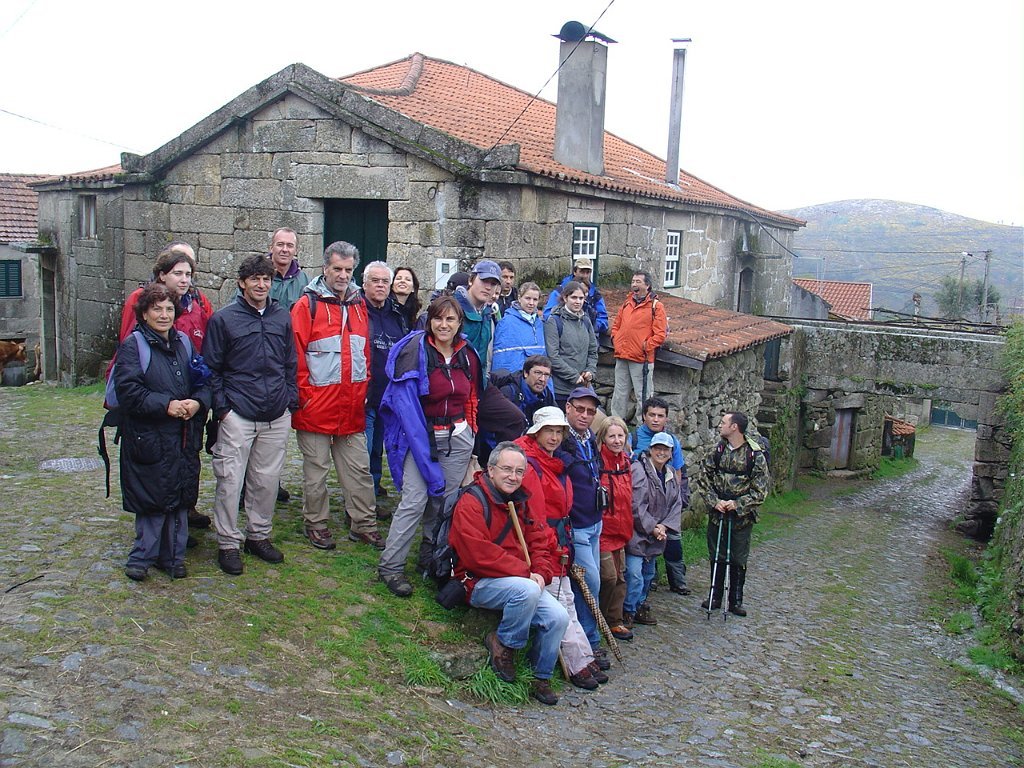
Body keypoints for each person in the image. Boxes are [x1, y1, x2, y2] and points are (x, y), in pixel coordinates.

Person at [448, 442, 569, 706]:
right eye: (506, 469)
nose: (513, 476)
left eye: (519, 471)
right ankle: (504, 644)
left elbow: (538, 541)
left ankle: (540, 675)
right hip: (477, 581)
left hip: (520, 580)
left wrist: (541, 571)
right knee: (527, 590)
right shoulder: (472, 501)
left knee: (559, 617)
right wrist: (526, 573)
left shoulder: (521, 501)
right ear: (491, 470)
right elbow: (478, 555)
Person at [378, 296, 482, 597]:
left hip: (457, 437)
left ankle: (431, 555)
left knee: (444, 502)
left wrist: (471, 430)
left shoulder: (467, 354)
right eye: (438, 318)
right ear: (429, 320)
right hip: (420, 438)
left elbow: (473, 394)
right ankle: (391, 566)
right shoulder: (416, 352)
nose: (444, 325)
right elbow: (404, 404)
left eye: (450, 319)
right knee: (415, 499)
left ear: (459, 323)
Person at [204, 255, 298, 576]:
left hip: (275, 412)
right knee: (230, 480)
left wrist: (289, 401)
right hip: (238, 412)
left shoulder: (281, 317)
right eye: (255, 279)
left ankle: (258, 535)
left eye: (266, 279)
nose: (261, 285)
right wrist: (223, 410)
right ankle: (228, 542)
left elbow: (290, 362)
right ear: (242, 283)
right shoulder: (224, 320)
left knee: (266, 480)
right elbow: (212, 369)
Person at [116, 242, 214, 534]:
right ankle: (156, 533)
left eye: (188, 274)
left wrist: (200, 397)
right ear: (162, 275)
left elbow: (205, 341)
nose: (184, 280)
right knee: (156, 464)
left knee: (188, 457)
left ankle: (183, 515)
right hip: (155, 395)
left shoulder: (198, 302)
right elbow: (130, 350)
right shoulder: (141, 303)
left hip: (189, 390)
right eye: (178, 273)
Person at [291, 242, 382, 552]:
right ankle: (316, 524)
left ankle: (363, 524)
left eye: (348, 270)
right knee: (316, 472)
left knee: (359, 469)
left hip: (351, 405)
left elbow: (364, 353)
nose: (343, 275)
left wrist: (364, 391)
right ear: (325, 269)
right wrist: (305, 397)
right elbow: (295, 356)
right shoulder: (306, 306)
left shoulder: (358, 305)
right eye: (337, 269)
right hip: (316, 406)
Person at [516, 408, 608, 690]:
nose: (554, 437)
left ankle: (583, 656)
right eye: (549, 431)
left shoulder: (555, 462)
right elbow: (535, 514)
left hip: (558, 540)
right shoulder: (531, 465)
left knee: (567, 600)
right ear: (537, 433)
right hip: (543, 543)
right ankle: (576, 663)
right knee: (559, 602)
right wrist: (550, 546)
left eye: (559, 432)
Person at [696, 411, 769, 617]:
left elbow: (760, 490)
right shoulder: (716, 450)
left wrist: (737, 504)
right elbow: (703, 479)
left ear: (735, 427)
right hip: (717, 513)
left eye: (723, 422)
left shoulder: (754, 455)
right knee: (716, 554)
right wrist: (714, 502)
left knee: (738, 557)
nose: (720, 426)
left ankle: (736, 599)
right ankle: (715, 596)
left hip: (741, 518)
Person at [560, 386, 611, 671]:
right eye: (579, 409)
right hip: (576, 525)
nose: (585, 415)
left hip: (594, 521)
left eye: (591, 411)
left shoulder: (589, 438)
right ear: (568, 408)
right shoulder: (562, 439)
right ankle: (589, 642)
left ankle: (587, 640)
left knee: (590, 582)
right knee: (590, 582)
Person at [631, 396, 692, 596]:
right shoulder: (635, 438)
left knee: (672, 542)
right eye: (652, 415)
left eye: (660, 416)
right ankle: (651, 581)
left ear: (666, 418)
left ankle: (678, 580)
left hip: (666, 500)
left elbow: (678, 471)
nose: (656, 419)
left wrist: (677, 497)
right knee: (646, 540)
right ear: (644, 416)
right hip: (644, 502)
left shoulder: (672, 441)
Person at [362, 261, 410, 499]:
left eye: (385, 282)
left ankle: (373, 491)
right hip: (364, 394)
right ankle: (362, 502)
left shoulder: (396, 314)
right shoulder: (357, 311)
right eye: (375, 281)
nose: (380, 286)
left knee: (378, 450)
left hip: (388, 396)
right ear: (364, 284)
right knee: (364, 450)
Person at [625, 432, 683, 627]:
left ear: (671, 452)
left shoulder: (670, 474)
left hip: (657, 535)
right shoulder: (639, 470)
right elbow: (636, 505)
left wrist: (664, 527)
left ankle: (639, 606)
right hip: (637, 534)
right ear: (650, 449)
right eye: (658, 448)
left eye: (666, 449)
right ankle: (627, 610)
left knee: (648, 575)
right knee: (634, 574)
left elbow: (676, 504)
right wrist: (652, 527)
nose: (661, 452)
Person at [610, 271, 667, 424]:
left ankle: (643, 427)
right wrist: (616, 339)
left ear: (647, 285)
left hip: (642, 359)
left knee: (643, 395)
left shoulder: (656, 306)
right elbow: (616, 325)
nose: (634, 284)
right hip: (622, 355)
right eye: (633, 281)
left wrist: (645, 346)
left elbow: (660, 335)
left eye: (638, 282)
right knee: (619, 393)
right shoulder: (627, 303)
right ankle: (616, 424)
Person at [597, 416, 634, 641]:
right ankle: (598, 618)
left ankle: (614, 620)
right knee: (608, 577)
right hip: (603, 531)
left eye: (621, 436)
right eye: (612, 436)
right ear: (603, 437)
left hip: (621, 530)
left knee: (620, 578)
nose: (617, 440)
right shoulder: (598, 463)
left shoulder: (626, 463)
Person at [545, 281, 598, 408]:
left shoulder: (586, 320)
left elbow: (592, 350)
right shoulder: (554, 321)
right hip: (561, 390)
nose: (578, 301)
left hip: (583, 387)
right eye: (574, 297)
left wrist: (590, 370)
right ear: (565, 298)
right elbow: (552, 356)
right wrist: (573, 376)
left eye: (581, 298)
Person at [542, 256, 609, 335]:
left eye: (587, 272)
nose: (585, 275)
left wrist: (591, 327)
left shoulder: (594, 293)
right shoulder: (560, 290)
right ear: (575, 271)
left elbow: (603, 318)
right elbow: (548, 315)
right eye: (582, 272)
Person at [492, 281, 545, 374]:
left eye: (535, 299)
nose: (531, 303)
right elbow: (502, 356)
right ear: (519, 298)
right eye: (527, 298)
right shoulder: (506, 322)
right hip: (516, 377)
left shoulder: (540, 323)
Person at [493, 355, 556, 424]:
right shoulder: (509, 392)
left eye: (546, 375)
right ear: (526, 373)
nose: (542, 379)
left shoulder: (547, 394)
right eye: (538, 373)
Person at [268, 227, 309, 309]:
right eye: (280, 244)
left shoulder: (305, 282)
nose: (285, 249)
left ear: (296, 250)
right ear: (271, 248)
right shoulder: (257, 275)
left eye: (290, 246)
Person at [390, 266, 421, 331]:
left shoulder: (411, 313)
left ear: (413, 288)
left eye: (408, 279)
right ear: (392, 285)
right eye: (398, 278)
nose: (402, 281)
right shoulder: (385, 308)